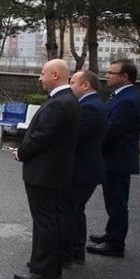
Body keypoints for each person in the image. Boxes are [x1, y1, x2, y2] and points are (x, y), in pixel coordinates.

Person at [12, 59, 78, 279]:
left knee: (45, 221)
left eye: (42, 74)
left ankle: (43, 270)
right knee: (51, 219)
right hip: (53, 172)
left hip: (45, 173)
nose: (39, 78)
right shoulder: (66, 99)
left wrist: (21, 153)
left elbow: (41, 137)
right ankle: (46, 263)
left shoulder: (59, 103)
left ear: (55, 75)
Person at [87, 59, 140, 258]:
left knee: (117, 203)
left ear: (124, 77)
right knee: (114, 201)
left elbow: (113, 131)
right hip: (114, 158)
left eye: (112, 73)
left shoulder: (127, 100)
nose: (107, 75)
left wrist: (93, 146)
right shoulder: (120, 95)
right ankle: (111, 234)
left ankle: (115, 243)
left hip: (117, 160)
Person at [63, 70, 107, 265]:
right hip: (85, 168)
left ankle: (73, 250)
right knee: (75, 209)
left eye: (73, 83)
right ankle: (75, 250)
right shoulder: (92, 104)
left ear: (85, 85)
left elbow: (75, 138)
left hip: (83, 170)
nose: (70, 86)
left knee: (72, 209)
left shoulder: (90, 107)